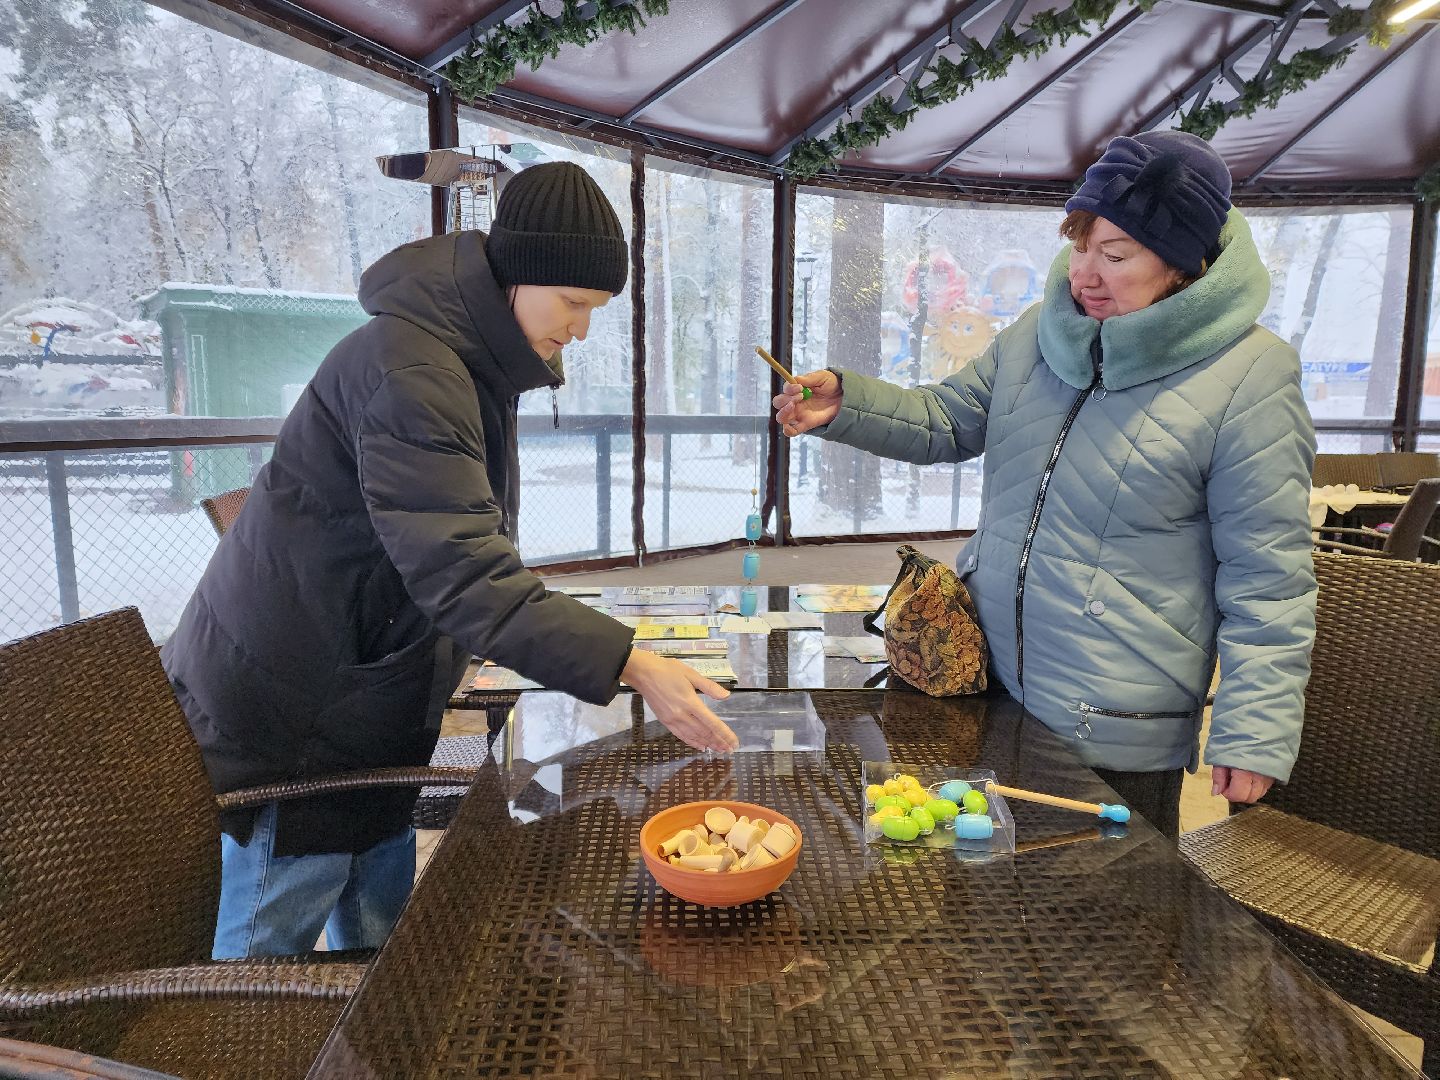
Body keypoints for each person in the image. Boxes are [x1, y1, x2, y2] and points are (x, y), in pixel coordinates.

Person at [163, 162, 738, 959]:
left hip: (370, 696)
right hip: (299, 715)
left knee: (384, 950)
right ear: (519, 274)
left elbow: (459, 542)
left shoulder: (462, 357)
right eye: (574, 304)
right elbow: (464, 571)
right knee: (259, 978)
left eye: (595, 310)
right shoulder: (415, 370)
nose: (581, 329)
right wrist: (633, 663)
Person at [774, 132, 1316, 838]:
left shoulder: (1253, 375)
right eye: (1081, 243)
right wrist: (849, 404)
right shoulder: (1039, 333)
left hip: (1113, 722)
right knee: (978, 893)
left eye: (1116, 255)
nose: (1083, 273)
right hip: (986, 687)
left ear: (1186, 265)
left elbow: (1267, 578)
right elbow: (945, 419)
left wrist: (1255, 731)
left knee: (1104, 930)